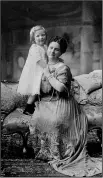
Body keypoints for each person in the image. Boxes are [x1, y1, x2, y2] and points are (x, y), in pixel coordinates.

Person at [29, 36, 102, 176]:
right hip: (44, 102)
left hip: (62, 102)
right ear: (47, 48)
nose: (52, 51)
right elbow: (33, 86)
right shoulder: (41, 64)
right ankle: (47, 152)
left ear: (61, 53)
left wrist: (47, 74)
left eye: (56, 49)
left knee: (55, 121)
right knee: (37, 119)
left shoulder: (63, 68)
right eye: (51, 47)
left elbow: (61, 89)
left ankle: (60, 153)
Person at [17, 25, 47, 115]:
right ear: (33, 38)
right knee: (34, 91)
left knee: (40, 91)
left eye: (43, 35)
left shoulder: (45, 46)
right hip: (35, 73)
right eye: (38, 36)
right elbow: (39, 61)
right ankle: (28, 108)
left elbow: (48, 58)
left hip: (42, 71)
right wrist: (48, 69)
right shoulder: (34, 48)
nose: (41, 37)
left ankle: (37, 107)